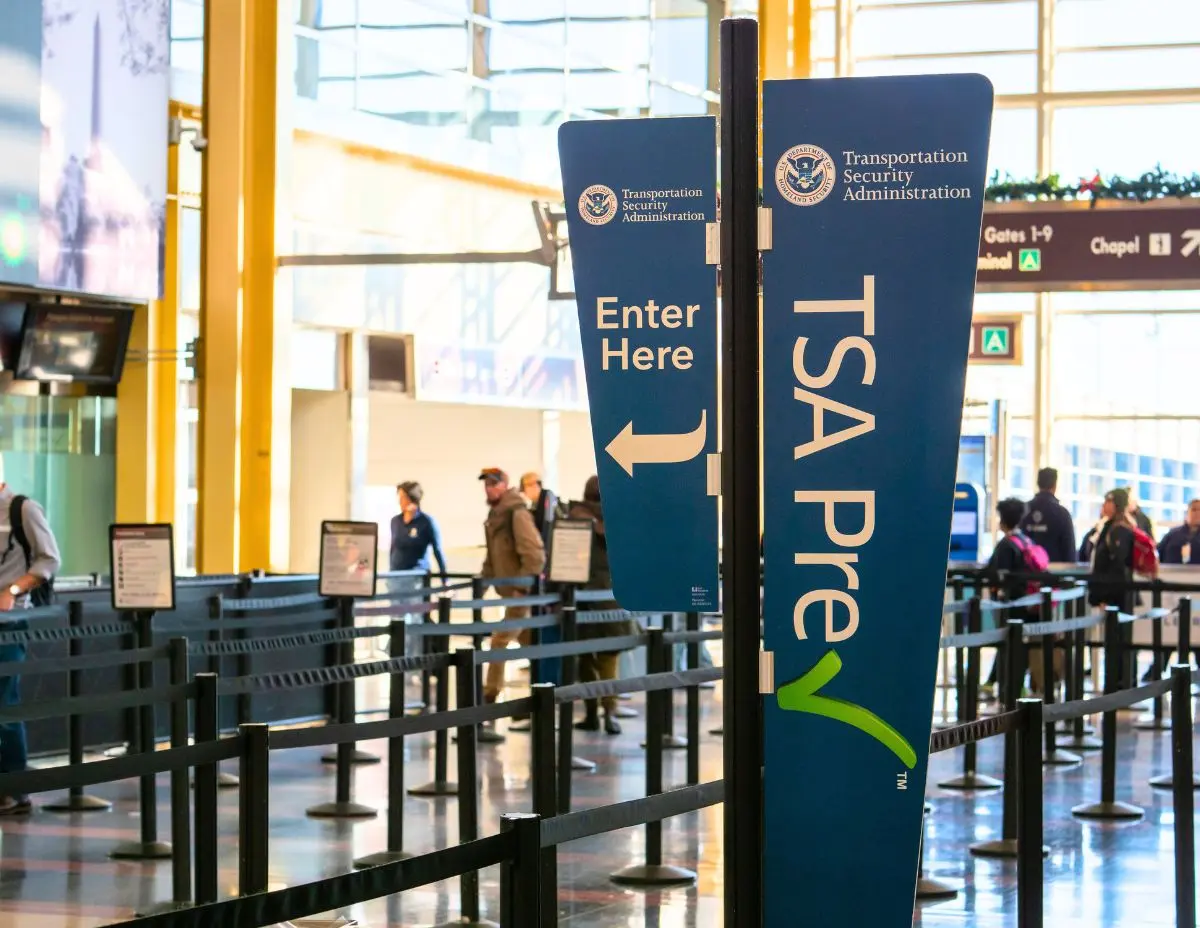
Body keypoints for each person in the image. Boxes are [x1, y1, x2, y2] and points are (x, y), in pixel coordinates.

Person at [0, 464, 62, 815]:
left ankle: (16, 787)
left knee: (5, 699)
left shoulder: (22, 508)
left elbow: (49, 559)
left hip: (10, 621)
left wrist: (12, 590)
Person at [569, 476, 638, 735]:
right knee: (609, 661)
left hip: (582, 597)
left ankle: (590, 713)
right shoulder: (620, 521)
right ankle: (609, 713)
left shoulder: (574, 517)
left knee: (586, 659)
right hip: (611, 599)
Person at [479, 467, 546, 704]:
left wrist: (521, 589)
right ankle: (549, 691)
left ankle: (489, 696)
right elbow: (493, 556)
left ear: (505, 485)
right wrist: (483, 582)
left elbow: (535, 555)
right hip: (510, 593)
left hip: (520, 594)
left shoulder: (516, 513)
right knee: (531, 642)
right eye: (486, 484)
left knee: (499, 641)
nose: (489, 487)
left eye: (494, 483)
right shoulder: (496, 516)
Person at [985, 498, 1055, 694]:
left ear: (1003, 520)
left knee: (1009, 641)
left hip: (1012, 603)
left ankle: (1012, 685)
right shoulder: (1026, 541)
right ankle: (1003, 681)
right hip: (1030, 602)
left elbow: (995, 573)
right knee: (1018, 643)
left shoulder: (1006, 545)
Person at [1089, 488, 1138, 687]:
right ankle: (1117, 682)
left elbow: (1117, 567)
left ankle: (1121, 684)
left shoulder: (1119, 529)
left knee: (1119, 640)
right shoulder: (1110, 527)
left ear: (1116, 503)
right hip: (1115, 595)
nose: (1104, 505)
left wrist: (1105, 596)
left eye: (1107, 501)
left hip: (1117, 597)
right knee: (1114, 641)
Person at [1157, 498, 1200, 669]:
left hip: (1197, 596)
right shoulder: (1173, 535)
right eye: (1194, 509)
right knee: (1169, 635)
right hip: (1172, 594)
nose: (1197, 513)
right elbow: (1157, 556)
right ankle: (1158, 669)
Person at [389, 481, 447, 576]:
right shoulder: (395, 521)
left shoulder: (427, 522)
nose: (400, 501)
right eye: (399, 497)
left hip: (417, 576)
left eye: (403, 497)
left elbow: (438, 550)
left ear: (411, 498)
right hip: (396, 576)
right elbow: (393, 548)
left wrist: (445, 578)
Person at [1020, 467, 1076, 563]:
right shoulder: (1062, 514)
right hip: (1053, 573)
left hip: (1026, 573)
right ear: (1054, 485)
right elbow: (1069, 551)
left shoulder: (1023, 511)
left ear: (1038, 484)